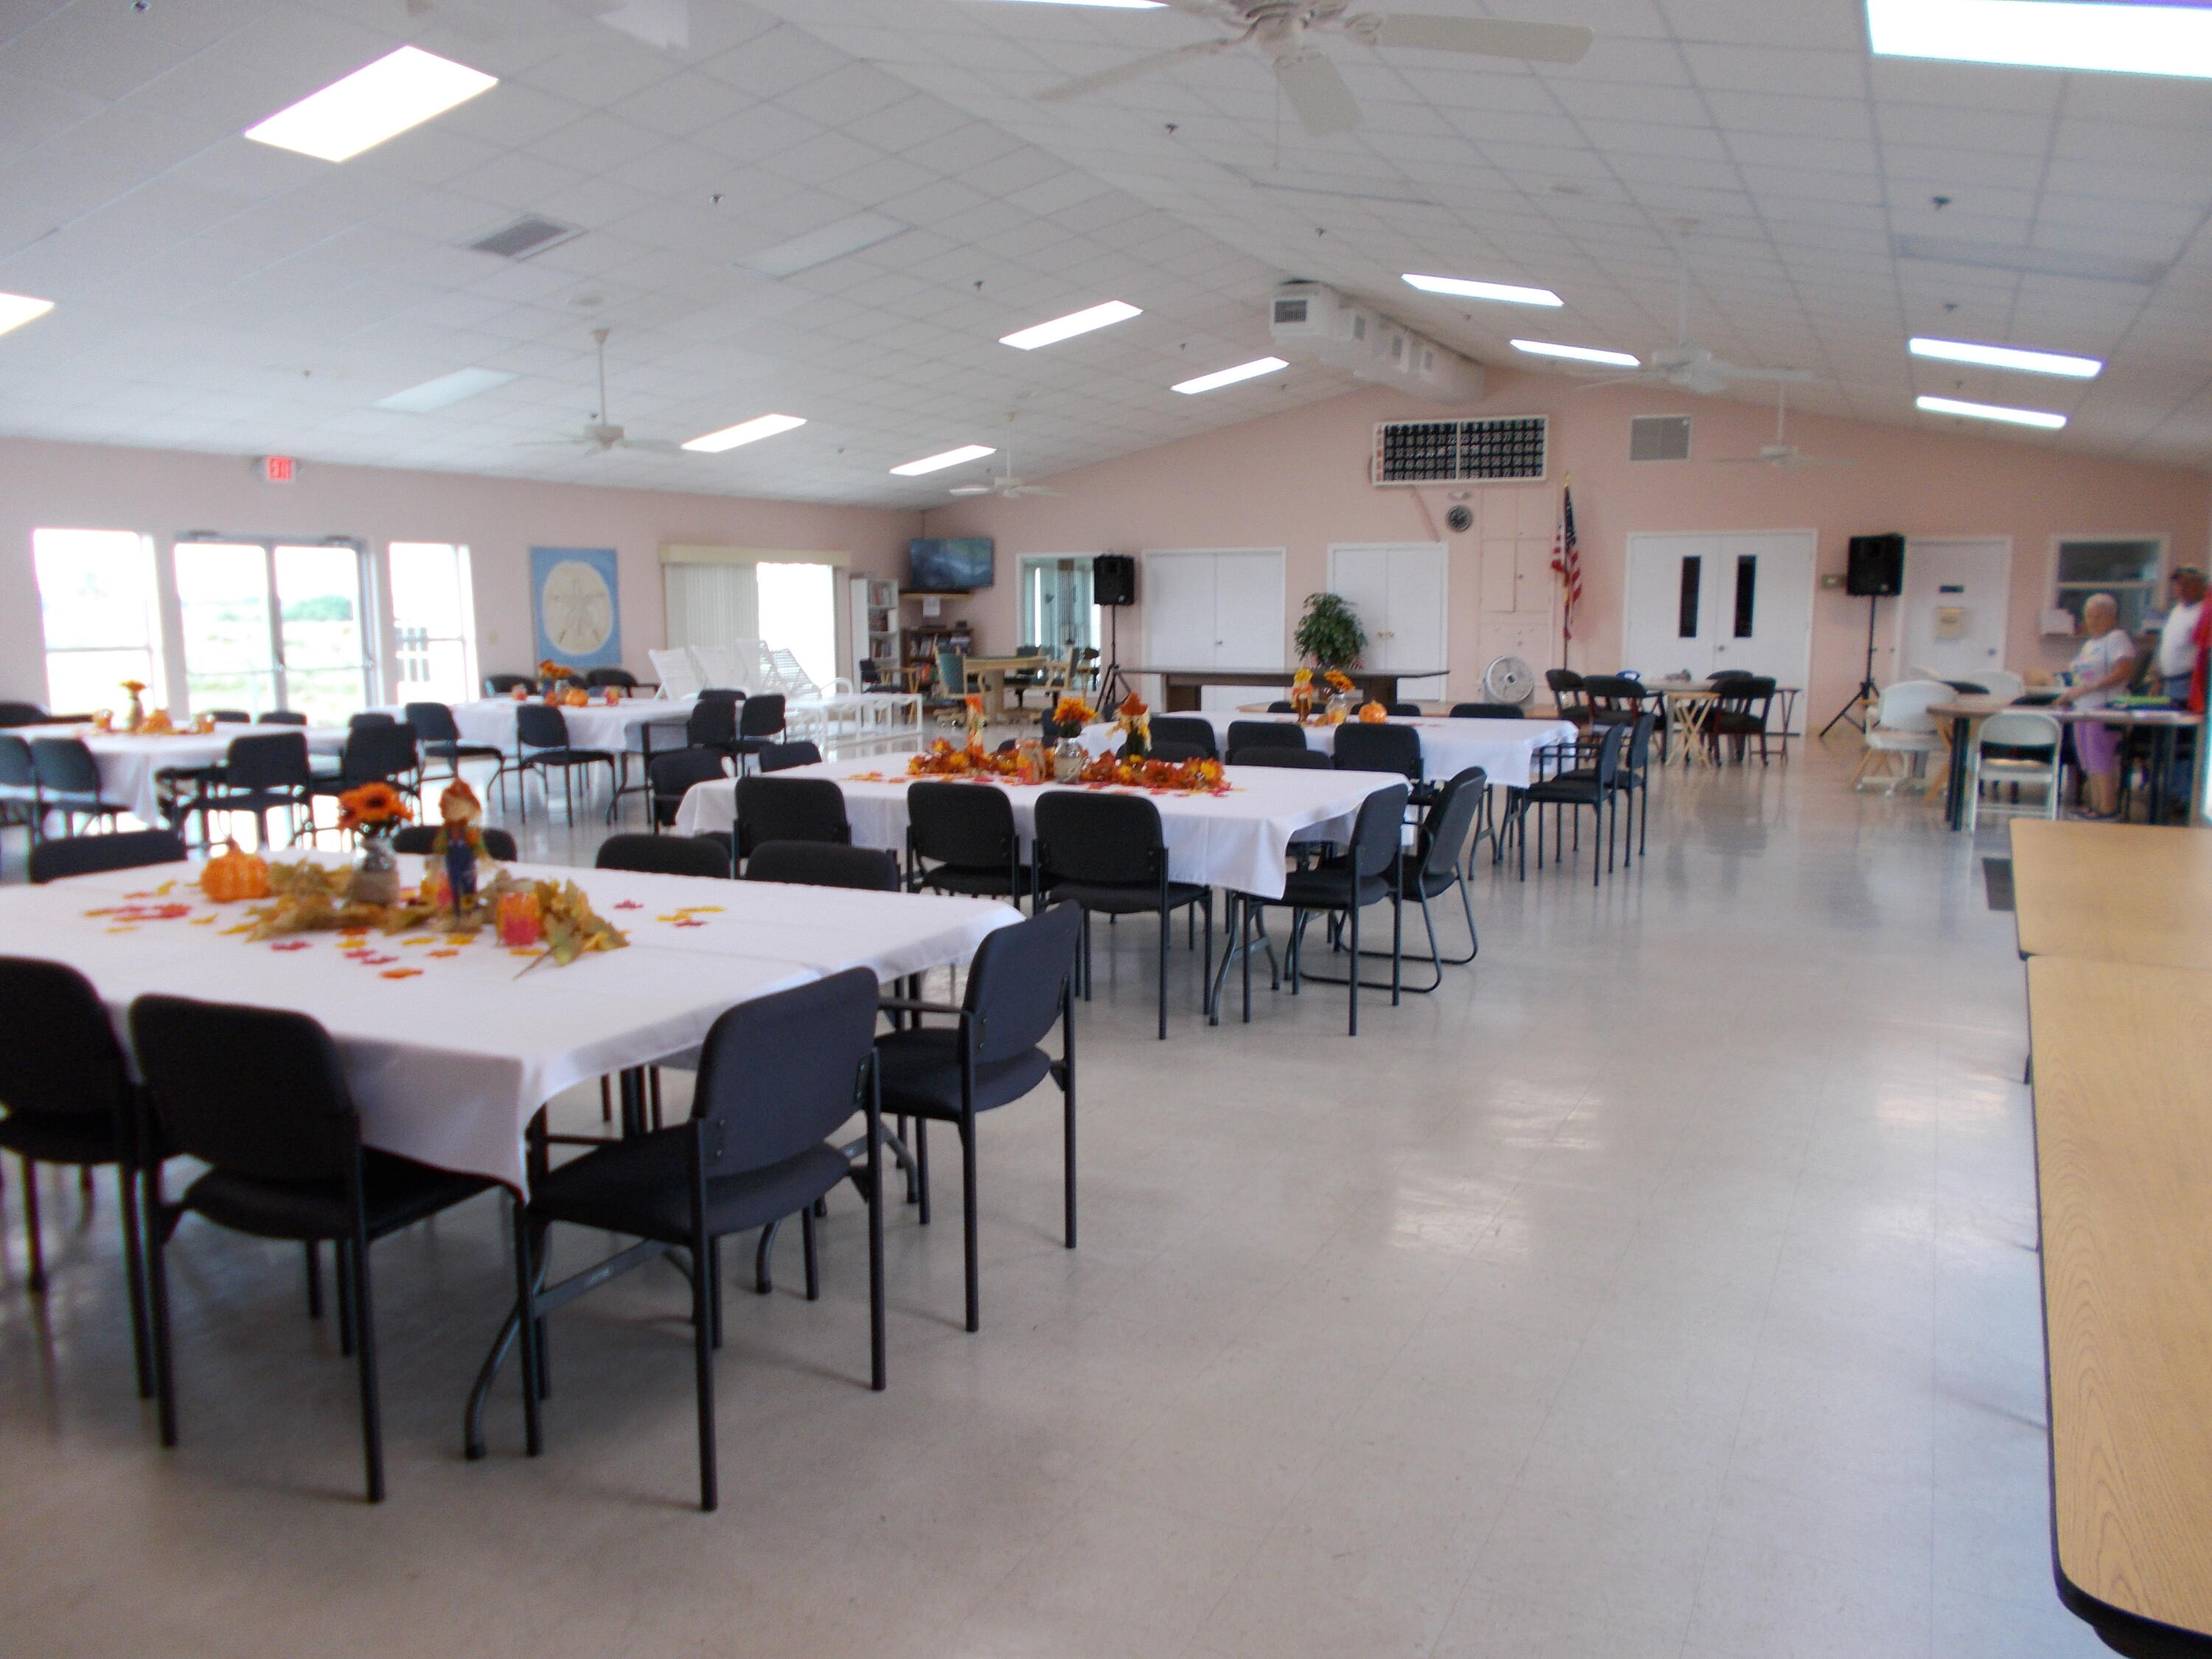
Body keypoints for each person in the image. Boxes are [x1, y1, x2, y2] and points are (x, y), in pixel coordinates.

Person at [2056, 592, 2140, 819]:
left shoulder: (2118, 638)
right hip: (2083, 707)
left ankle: (2107, 808)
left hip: (2104, 706)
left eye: (2097, 616)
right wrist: (2073, 693)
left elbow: (2124, 671)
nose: (2091, 621)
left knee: (2100, 757)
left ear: (2111, 615)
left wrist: (2091, 689)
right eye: (2088, 615)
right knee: (2087, 758)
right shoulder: (2092, 642)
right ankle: (2094, 804)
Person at [2157, 567, 2208, 701]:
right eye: (2179, 584)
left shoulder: (2205, 611)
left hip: (2190, 682)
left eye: (2188, 584)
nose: (2182, 589)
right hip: (2168, 682)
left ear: (2201, 586)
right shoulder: (2176, 611)